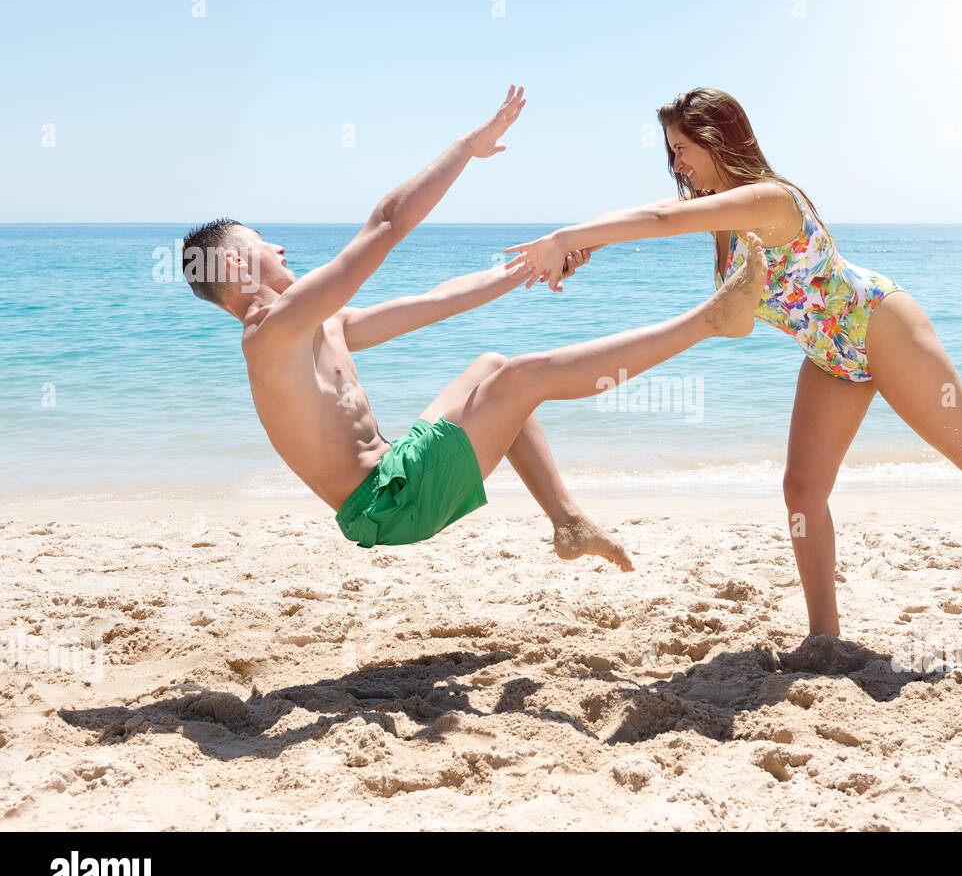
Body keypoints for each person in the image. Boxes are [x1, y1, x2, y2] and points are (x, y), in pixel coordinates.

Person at [505, 87, 962, 637]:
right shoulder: (719, 217)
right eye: (671, 154)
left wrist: (569, 232)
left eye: (682, 150)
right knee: (802, 490)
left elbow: (655, 220)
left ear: (717, 142)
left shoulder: (770, 200)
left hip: (878, 323)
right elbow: (668, 226)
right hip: (831, 355)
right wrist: (583, 251)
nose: (676, 165)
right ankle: (825, 638)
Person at [181, 85, 771, 569]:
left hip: (395, 474)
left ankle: (568, 524)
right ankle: (708, 320)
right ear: (234, 264)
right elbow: (385, 224)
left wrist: (536, 267)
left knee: (490, 369)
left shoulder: (317, 327)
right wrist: (467, 146)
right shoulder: (271, 336)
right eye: (262, 243)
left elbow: (439, 300)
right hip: (389, 503)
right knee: (520, 378)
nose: (280, 247)